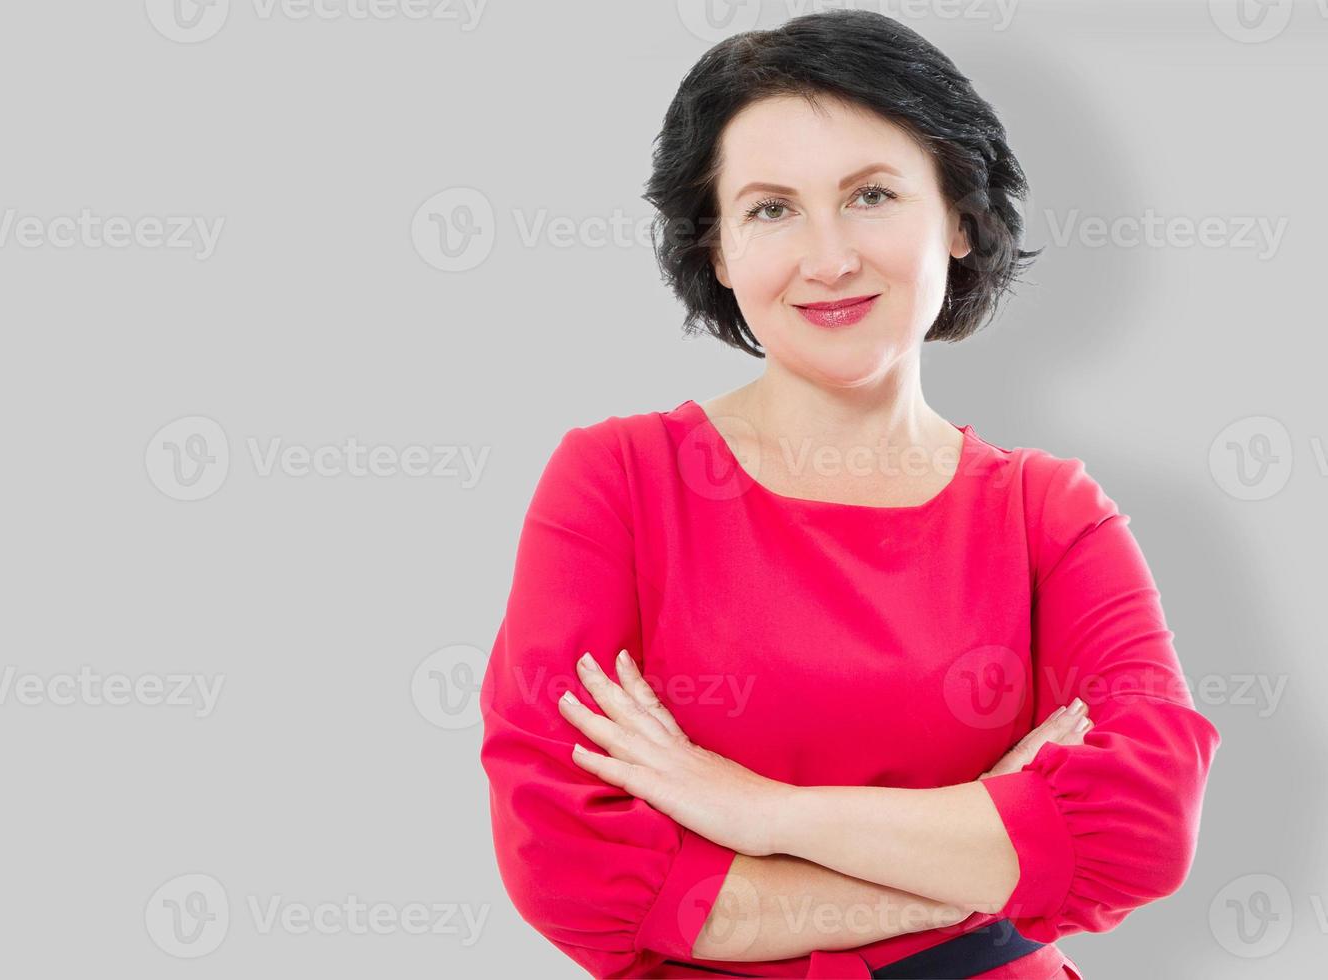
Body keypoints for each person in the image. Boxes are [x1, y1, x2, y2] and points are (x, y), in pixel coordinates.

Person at [479, 11, 1220, 978]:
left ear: (957, 215)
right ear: (717, 251)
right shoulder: (616, 483)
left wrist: (759, 814)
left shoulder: (1051, 515)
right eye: (770, 209)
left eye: (870, 194)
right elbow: (571, 866)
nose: (827, 259)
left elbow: (1143, 826)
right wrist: (980, 852)